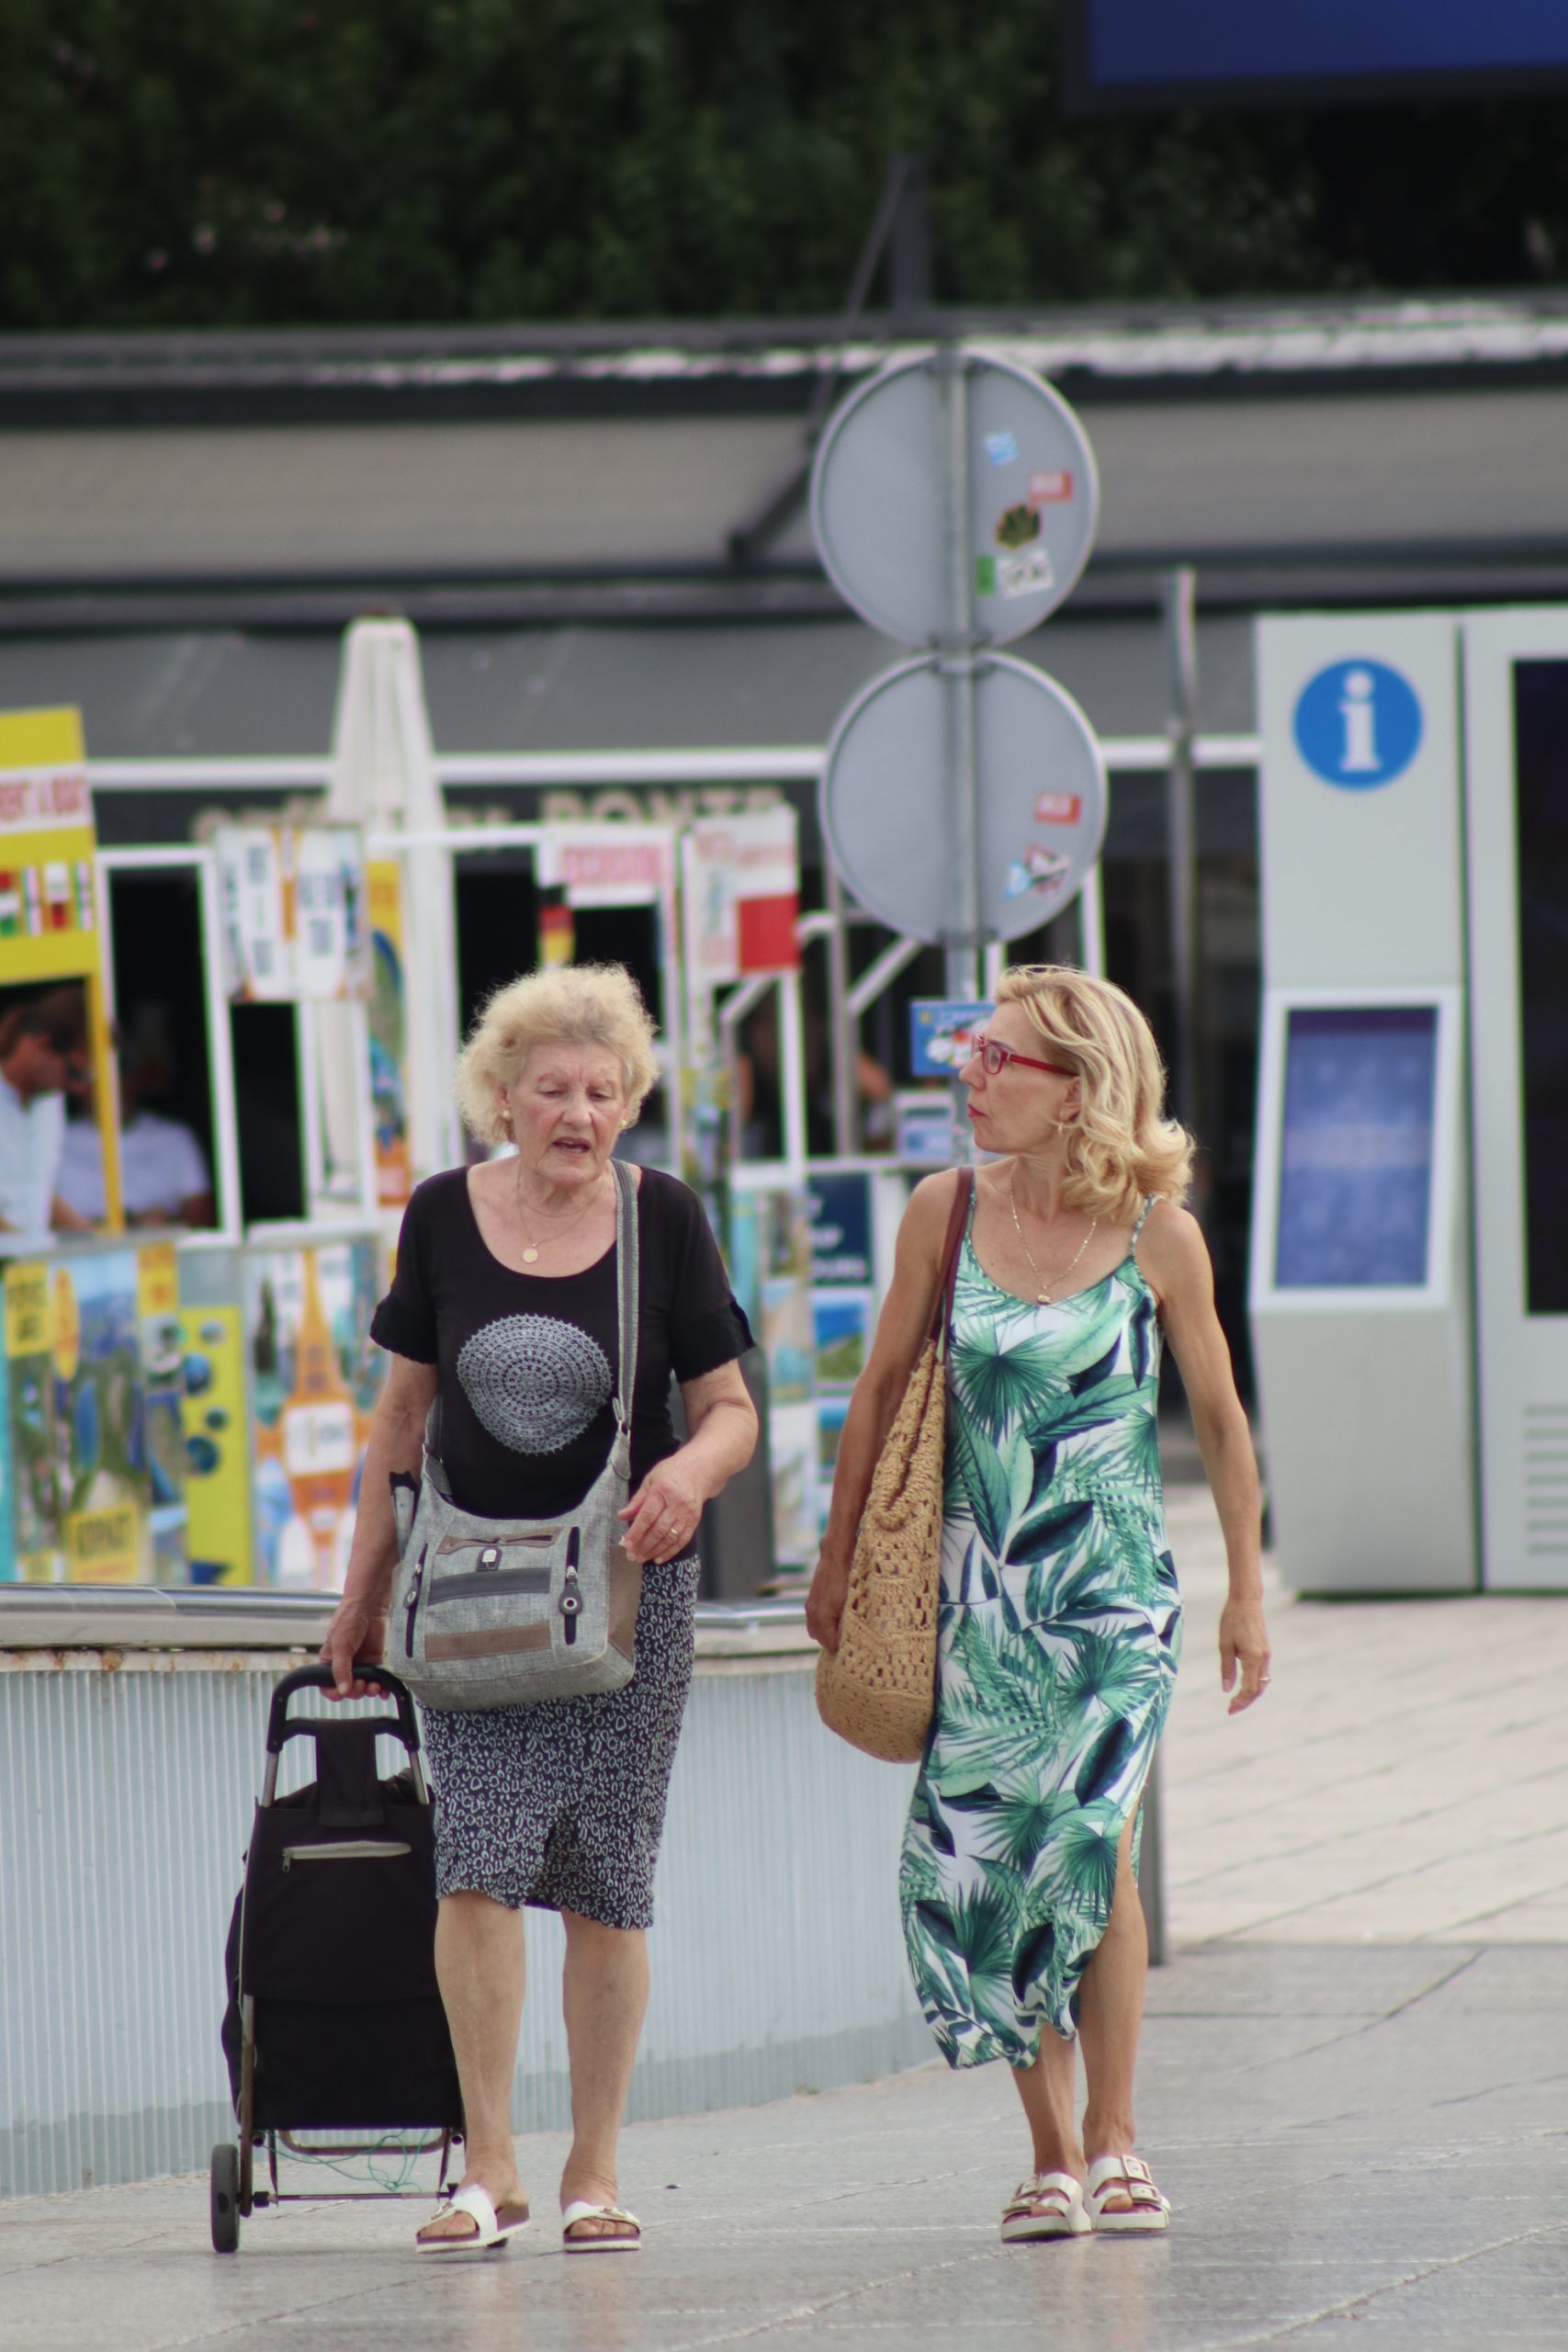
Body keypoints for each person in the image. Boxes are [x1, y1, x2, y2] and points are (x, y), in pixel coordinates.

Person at [807, 965, 1270, 2243]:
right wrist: (838, 1560)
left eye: (997, 1058)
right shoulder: (943, 1212)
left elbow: (1221, 1422)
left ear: (1076, 1089)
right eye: (972, 1051)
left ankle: (1116, 2139)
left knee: (1090, 1846)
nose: (971, 1074)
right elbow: (878, 1388)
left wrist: (1244, 1591)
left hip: (1111, 1606)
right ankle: (1050, 2153)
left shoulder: (1157, 1233)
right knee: (989, 1866)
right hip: (979, 1602)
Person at [321, 962, 758, 2256]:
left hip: (626, 1599)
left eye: (604, 1092)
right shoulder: (440, 1216)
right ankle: (489, 2165)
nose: (580, 1114)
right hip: (471, 1599)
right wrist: (359, 1592)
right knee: (477, 1864)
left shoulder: (665, 1217)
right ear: (500, 1098)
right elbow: (399, 1421)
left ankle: (594, 2169)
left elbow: (730, 1409)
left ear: (629, 1103)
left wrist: (688, 1474)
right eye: (554, 1090)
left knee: (609, 1880)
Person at [56, 1012, 215, 1227]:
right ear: (80, 1086)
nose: (111, 1085)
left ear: (136, 1079)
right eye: (97, 1075)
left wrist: (167, 1223)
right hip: (79, 1249)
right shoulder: (56, 1141)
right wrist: (122, 1226)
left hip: (160, 1248)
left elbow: (202, 1216)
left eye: (120, 1072)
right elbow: (37, 1219)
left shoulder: (174, 1137)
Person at [0, 987, 93, 1239]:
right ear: (42, 1045)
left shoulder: (51, 1101)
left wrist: (98, 1244)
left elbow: (36, 1191)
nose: (79, 1088)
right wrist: (23, 1248)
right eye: (74, 1073)